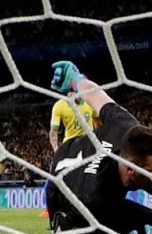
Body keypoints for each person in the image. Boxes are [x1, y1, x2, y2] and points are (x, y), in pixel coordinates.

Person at [46, 61, 152, 234]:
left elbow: (95, 95)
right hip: (70, 198)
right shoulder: (93, 198)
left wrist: (74, 79)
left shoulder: (126, 127)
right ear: (131, 170)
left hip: (82, 161)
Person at [42, 87, 99, 218]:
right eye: (77, 92)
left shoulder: (89, 103)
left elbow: (97, 122)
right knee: (54, 176)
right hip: (69, 147)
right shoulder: (60, 106)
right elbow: (53, 132)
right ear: (69, 93)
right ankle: (52, 210)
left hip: (88, 146)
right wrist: (56, 150)